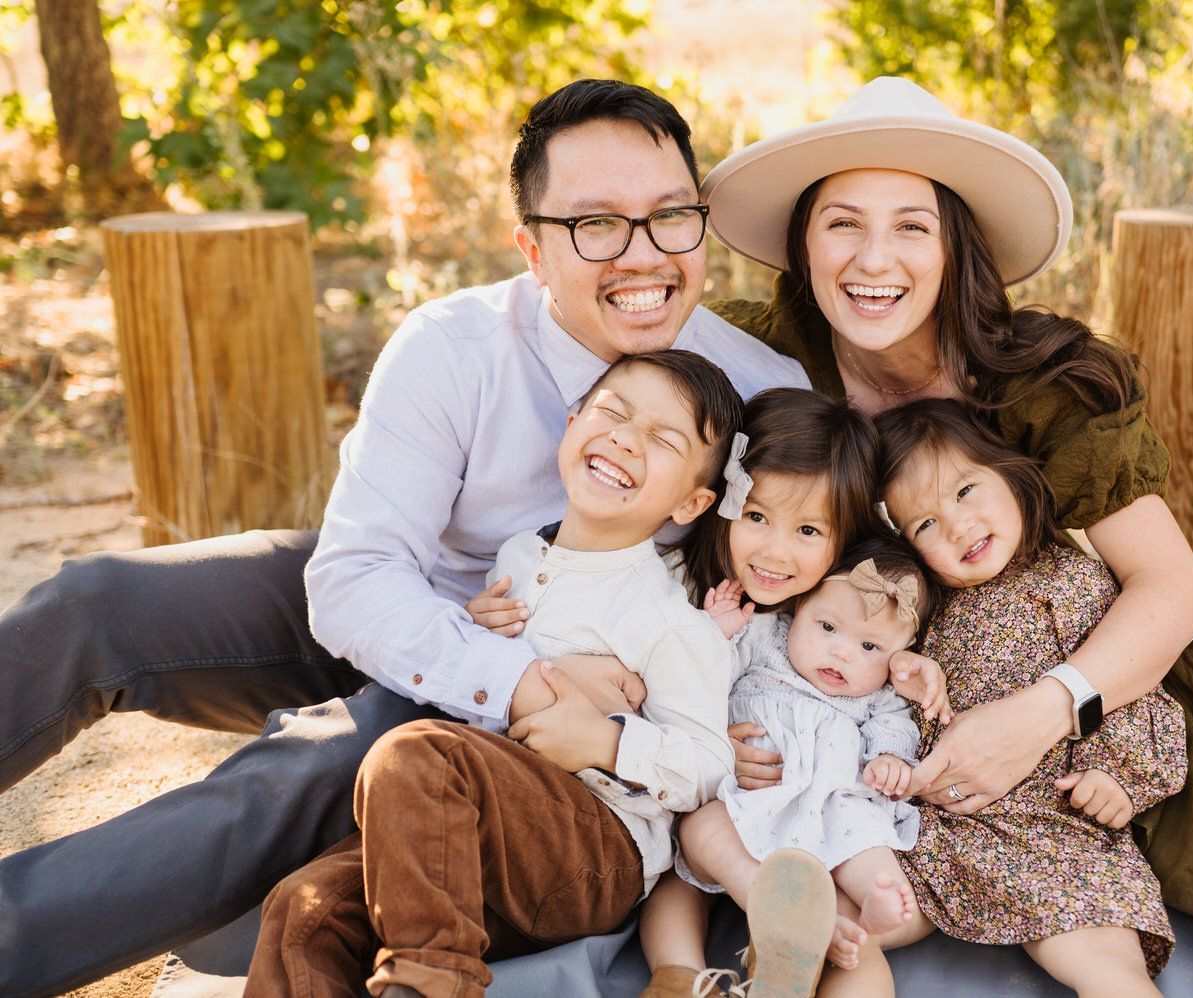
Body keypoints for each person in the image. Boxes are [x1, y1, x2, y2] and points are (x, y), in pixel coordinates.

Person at [0, 79, 806, 996]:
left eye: (670, 217)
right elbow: (355, 577)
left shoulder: (760, 396)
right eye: (595, 226)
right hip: (432, 610)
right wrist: (522, 677)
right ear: (532, 248)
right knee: (99, 601)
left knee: (313, 762)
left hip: (564, 690)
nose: (644, 255)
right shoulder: (456, 345)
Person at [700, 76, 1193, 996]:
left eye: (912, 225)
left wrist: (1042, 712)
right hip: (909, 698)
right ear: (803, 243)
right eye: (842, 222)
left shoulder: (1030, 373)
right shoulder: (758, 357)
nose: (873, 257)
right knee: (1086, 798)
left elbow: (1168, 587)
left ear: (957, 245)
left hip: (1081, 659)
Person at [246, 349, 743, 996]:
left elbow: (710, 765)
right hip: (473, 831)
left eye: (662, 438)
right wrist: (478, 625)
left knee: (413, 756)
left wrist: (609, 741)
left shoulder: (667, 619)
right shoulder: (518, 554)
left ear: (691, 502)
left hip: (595, 850)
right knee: (306, 907)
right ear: (571, 426)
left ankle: (432, 983)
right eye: (613, 413)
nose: (625, 437)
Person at [874, 398, 1188, 997]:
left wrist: (1117, 775)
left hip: (1056, 834)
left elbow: (1136, 692)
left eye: (966, 492)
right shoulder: (925, 606)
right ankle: (813, 938)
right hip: (943, 830)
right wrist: (903, 670)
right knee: (874, 904)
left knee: (1102, 959)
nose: (957, 526)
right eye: (925, 525)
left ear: (1012, 476)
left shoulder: (1066, 581)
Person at [677, 539, 938, 977]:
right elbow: (698, 676)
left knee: (864, 841)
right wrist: (715, 630)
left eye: (870, 648)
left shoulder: (882, 694)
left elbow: (894, 728)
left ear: (900, 656)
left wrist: (890, 759)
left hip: (832, 806)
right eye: (828, 627)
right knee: (700, 828)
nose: (842, 652)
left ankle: (873, 901)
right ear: (800, 605)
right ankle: (769, 904)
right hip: (749, 802)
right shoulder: (762, 637)